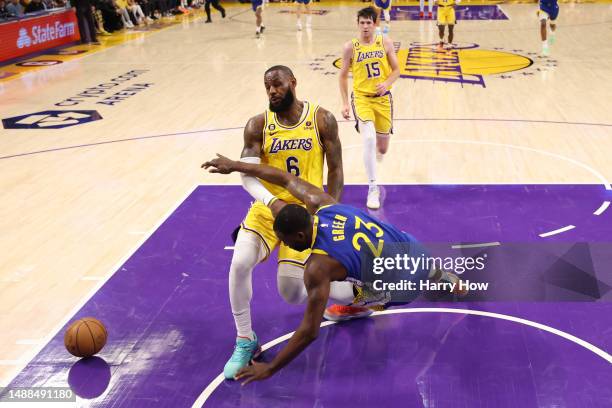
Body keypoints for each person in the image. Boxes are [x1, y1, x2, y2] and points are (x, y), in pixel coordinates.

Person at [202, 155, 467, 383]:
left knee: (345, 291)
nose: (283, 244)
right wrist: (236, 166)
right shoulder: (322, 203)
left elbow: (309, 331)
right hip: (416, 250)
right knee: (397, 246)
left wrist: (270, 368)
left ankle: (360, 306)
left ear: (299, 236)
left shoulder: (318, 266)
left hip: (402, 290)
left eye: (285, 240)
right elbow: (283, 178)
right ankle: (446, 278)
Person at [215, 65, 356, 380]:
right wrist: (272, 202)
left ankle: (355, 298)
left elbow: (336, 170)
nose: (272, 92)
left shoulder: (322, 119)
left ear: (293, 83)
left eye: (277, 85)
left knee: (293, 292)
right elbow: (246, 174)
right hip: (268, 209)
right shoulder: (257, 125)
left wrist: (330, 213)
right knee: (239, 263)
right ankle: (245, 339)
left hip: (306, 216)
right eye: (267, 87)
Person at [339, 6, 400, 210]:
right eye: (362, 22)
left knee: (382, 148)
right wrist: (345, 102)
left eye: (368, 23)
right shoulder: (351, 47)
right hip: (362, 98)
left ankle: (377, 152)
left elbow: (397, 70)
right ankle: (373, 186)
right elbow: (342, 75)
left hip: (382, 99)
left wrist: (387, 83)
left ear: (375, 24)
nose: (365, 26)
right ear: (357, 24)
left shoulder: (385, 42)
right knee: (368, 138)